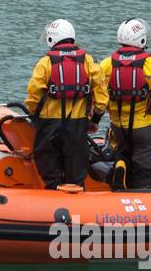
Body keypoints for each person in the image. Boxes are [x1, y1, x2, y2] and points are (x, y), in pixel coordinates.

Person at [24, 19, 107, 189]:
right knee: (76, 173)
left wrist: (35, 116)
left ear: (51, 39)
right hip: (76, 127)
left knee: (49, 170)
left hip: (49, 126)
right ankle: (77, 205)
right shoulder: (88, 61)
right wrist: (95, 121)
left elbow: (33, 95)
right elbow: (102, 97)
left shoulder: (45, 63)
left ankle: (54, 197)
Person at [96, 18, 151, 190]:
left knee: (123, 151)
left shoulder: (106, 65)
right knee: (143, 163)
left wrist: (94, 120)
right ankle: (140, 190)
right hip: (145, 127)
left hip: (118, 126)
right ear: (141, 39)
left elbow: (99, 95)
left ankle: (120, 165)